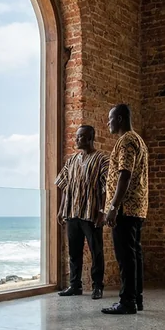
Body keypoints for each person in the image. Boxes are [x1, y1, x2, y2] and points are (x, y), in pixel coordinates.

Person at [101, 104, 148, 315]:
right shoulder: (139, 140)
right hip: (137, 208)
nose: (108, 123)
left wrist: (113, 206)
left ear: (119, 118)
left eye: (110, 119)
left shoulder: (127, 140)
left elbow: (124, 174)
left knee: (125, 257)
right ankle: (136, 298)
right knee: (134, 255)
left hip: (125, 209)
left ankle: (127, 301)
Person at [55, 125, 109, 300]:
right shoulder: (72, 160)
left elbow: (105, 188)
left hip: (91, 213)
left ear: (90, 138)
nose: (77, 140)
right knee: (74, 252)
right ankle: (75, 285)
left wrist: (102, 212)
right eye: (77, 137)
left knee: (96, 251)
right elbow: (64, 185)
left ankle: (97, 287)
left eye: (81, 137)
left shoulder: (102, 159)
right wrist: (62, 209)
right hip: (72, 213)